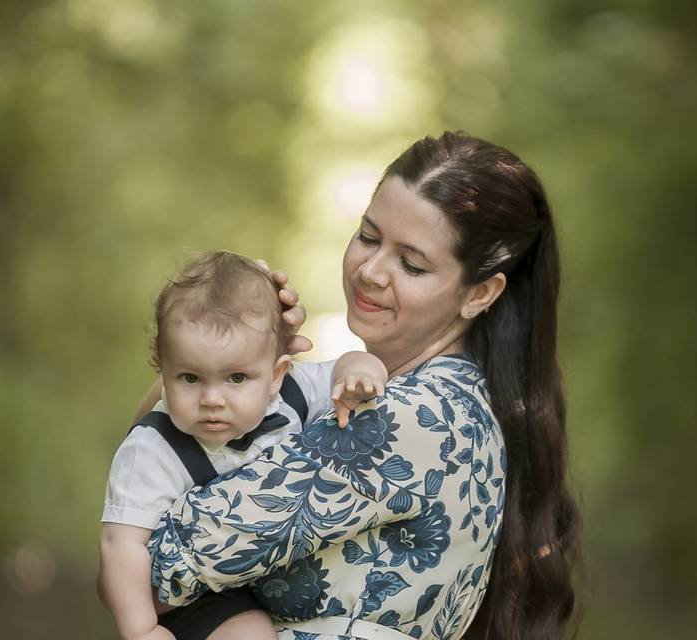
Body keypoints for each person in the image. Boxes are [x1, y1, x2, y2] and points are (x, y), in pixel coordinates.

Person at [144, 132, 583, 640]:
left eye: (412, 264)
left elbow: (152, 555)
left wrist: (204, 368)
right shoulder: (457, 403)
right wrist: (231, 355)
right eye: (369, 237)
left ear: (479, 292)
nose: (371, 271)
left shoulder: (410, 419)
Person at [99, 251, 388, 640]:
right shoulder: (152, 450)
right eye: (190, 377)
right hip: (195, 599)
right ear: (161, 368)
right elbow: (121, 544)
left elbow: (344, 365)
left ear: (276, 374)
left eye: (236, 377)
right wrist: (142, 629)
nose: (212, 399)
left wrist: (360, 373)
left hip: (279, 578)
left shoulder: (291, 394)